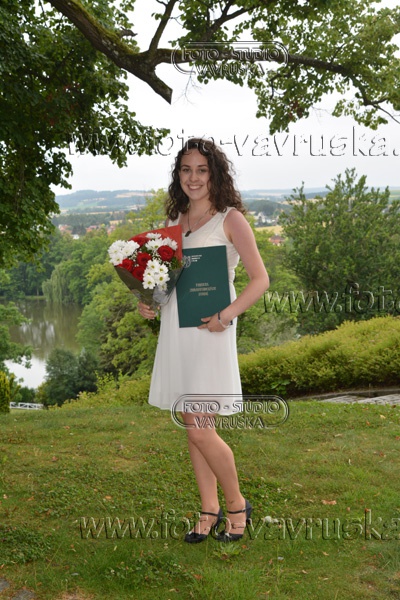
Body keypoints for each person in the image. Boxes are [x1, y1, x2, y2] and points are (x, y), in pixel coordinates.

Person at [138, 138, 269, 543]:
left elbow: (260, 280)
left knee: (199, 430)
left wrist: (226, 317)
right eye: (186, 169)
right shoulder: (176, 220)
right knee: (193, 426)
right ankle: (209, 510)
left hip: (212, 332)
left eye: (201, 170)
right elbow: (169, 280)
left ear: (215, 174)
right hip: (177, 330)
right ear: (178, 174)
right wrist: (150, 300)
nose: (193, 178)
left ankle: (237, 506)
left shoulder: (231, 219)